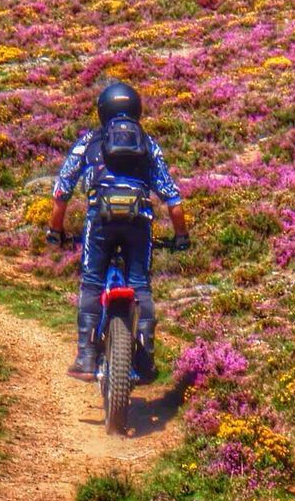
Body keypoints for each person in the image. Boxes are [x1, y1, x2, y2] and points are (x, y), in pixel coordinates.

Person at [46, 81, 190, 382]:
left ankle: (86, 356)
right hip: (139, 223)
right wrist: (181, 238)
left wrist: (55, 232)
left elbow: (61, 193)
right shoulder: (148, 143)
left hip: (100, 221)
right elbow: (173, 200)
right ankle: (145, 358)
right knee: (140, 284)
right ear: (136, 109)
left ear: (103, 110)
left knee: (92, 282)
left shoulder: (90, 141)